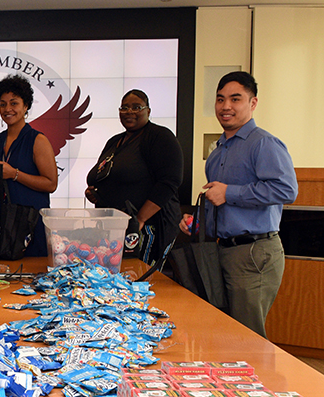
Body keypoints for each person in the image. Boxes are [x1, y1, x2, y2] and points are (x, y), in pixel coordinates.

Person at [180, 71, 297, 338]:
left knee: (247, 339)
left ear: (253, 103)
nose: (226, 107)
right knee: (225, 334)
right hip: (223, 251)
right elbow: (218, 200)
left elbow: (286, 190)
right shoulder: (219, 150)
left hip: (253, 253)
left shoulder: (264, 143)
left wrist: (229, 193)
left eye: (236, 99)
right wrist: (198, 221)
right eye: (220, 99)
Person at [85, 89, 184, 264]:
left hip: (146, 227)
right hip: (114, 228)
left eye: (136, 107)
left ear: (148, 111)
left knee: (137, 281)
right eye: (124, 108)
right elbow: (104, 175)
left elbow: (169, 182)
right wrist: (96, 194)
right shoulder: (115, 141)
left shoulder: (159, 137)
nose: (129, 112)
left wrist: (140, 219)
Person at [0, 74, 58, 257]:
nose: (7, 109)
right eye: (2, 104)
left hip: (30, 225)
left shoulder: (38, 140)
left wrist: (15, 174)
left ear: (26, 106)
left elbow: (51, 183)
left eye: (14, 103)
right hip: (2, 226)